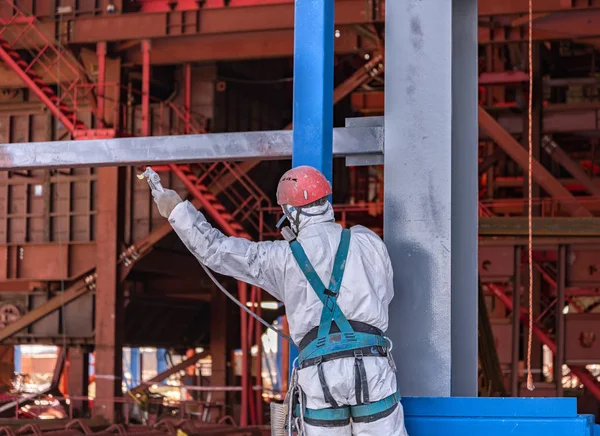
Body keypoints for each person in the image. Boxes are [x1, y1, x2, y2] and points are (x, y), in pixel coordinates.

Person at [151, 165, 408, 436]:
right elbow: (385, 293)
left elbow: (216, 250)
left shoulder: (280, 258)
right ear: (325, 202)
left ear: (291, 212)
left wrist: (176, 211)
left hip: (319, 374)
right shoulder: (367, 241)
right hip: (370, 365)